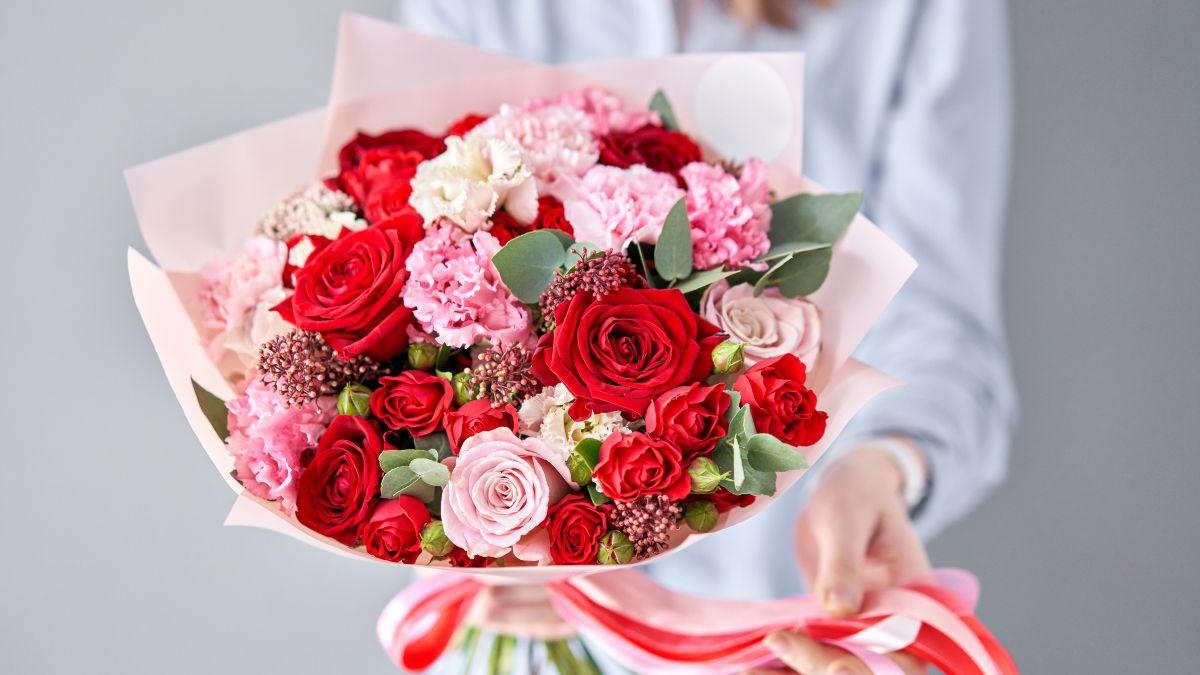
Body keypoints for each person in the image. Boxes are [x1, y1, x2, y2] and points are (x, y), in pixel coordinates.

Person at [396, 1, 1016, 672]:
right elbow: (432, 238)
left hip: (776, 631)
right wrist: (492, 522)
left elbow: (939, 326)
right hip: (525, 636)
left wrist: (883, 465)